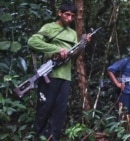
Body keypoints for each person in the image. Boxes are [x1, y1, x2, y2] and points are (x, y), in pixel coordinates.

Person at [27, 1, 91, 141]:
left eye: (72, 16)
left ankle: (53, 138)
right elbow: (32, 41)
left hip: (65, 77)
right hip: (49, 75)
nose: (69, 18)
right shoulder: (49, 27)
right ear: (60, 13)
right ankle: (37, 137)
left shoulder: (73, 33)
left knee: (60, 111)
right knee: (44, 109)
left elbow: (74, 55)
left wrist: (83, 43)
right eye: (67, 15)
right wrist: (57, 49)